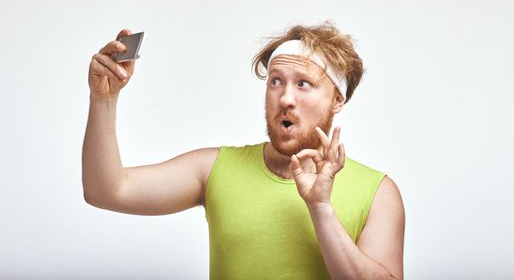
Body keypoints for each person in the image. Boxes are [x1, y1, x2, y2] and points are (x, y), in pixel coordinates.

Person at [82, 23, 405, 280]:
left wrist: (321, 208)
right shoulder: (215, 169)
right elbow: (106, 191)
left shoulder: (378, 192)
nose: (285, 98)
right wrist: (104, 99)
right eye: (276, 81)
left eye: (303, 84)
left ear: (337, 99)